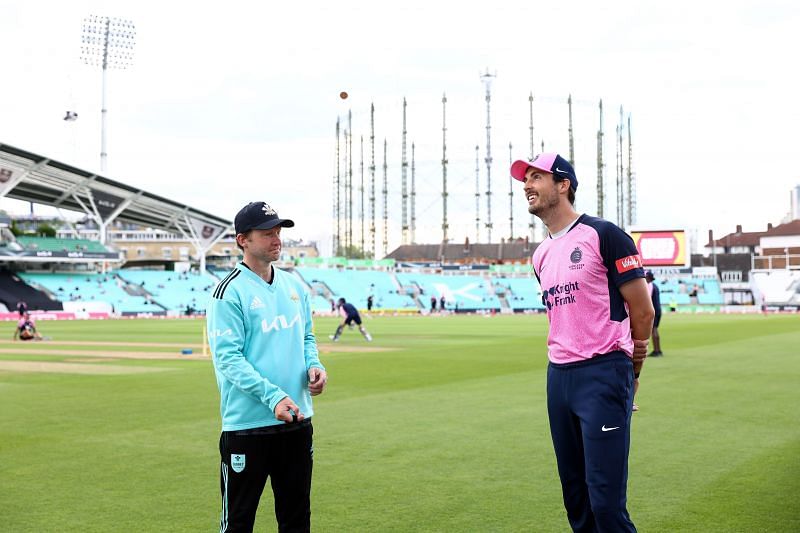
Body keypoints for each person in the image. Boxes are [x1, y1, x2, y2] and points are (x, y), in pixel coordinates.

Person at [511, 153, 654, 532]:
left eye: (536, 177)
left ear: (563, 185)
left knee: (606, 504)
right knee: (577, 501)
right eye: (525, 179)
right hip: (559, 378)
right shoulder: (540, 255)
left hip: (602, 373)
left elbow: (643, 312)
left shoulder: (604, 235)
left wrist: (631, 373)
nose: (527, 185)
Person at [206, 201, 327, 532]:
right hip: (248, 427)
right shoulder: (228, 292)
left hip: (297, 420)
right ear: (242, 240)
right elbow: (228, 358)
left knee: (296, 519)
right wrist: (273, 396)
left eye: (278, 232)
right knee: (239, 524)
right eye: (267, 233)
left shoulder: (294, 286)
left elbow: (306, 337)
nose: (277, 239)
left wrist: (314, 365)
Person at [645, 271, 663, 356]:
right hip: (658, 310)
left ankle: (656, 351)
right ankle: (658, 350)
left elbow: (647, 300)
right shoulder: (655, 286)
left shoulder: (649, 286)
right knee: (655, 329)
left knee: (653, 330)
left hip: (654, 311)